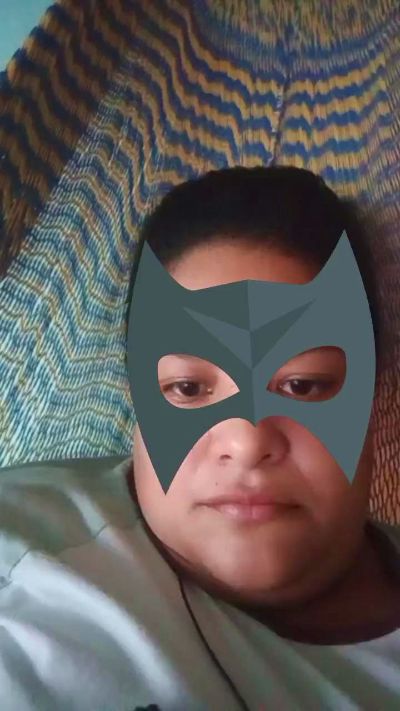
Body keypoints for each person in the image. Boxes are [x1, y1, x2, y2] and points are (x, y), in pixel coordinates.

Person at [0, 166, 399, 711]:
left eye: (302, 386)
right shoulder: (26, 572)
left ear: (372, 399)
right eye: (188, 388)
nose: (246, 440)